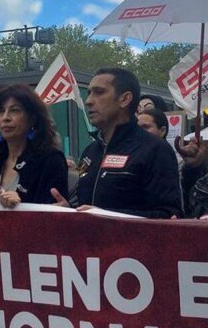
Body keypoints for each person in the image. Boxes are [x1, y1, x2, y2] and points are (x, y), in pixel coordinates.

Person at [58, 68, 182, 218]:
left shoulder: (155, 149)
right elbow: (85, 207)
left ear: (124, 99)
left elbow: (169, 216)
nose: (88, 100)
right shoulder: (90, 152)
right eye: (89, 92)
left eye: (99, 92)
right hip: (88, 241)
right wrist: (69, 210)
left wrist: (105, 216)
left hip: (130, 241)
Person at [0, 85, 68, 208]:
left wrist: (23, 206)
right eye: (1, 111)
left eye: (14, 110)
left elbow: (52, 215)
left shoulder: (51, 160)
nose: (6, 118)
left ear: (32, 119)